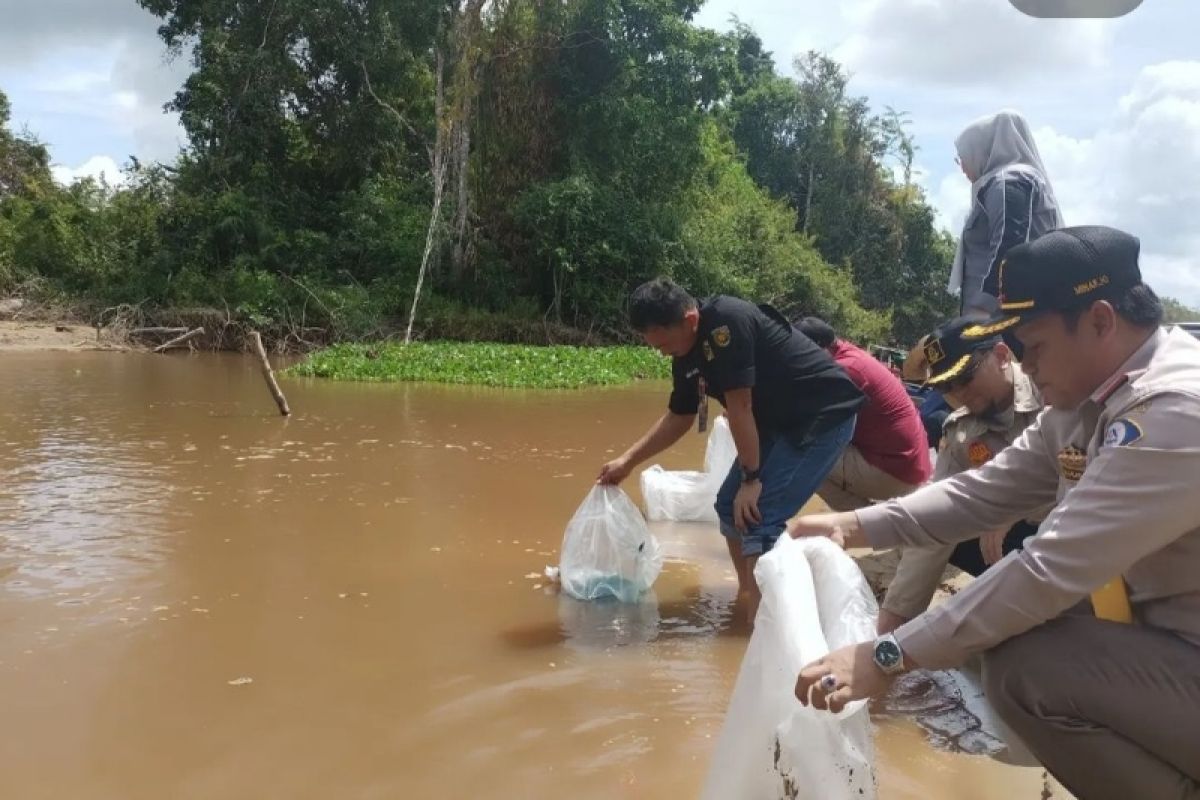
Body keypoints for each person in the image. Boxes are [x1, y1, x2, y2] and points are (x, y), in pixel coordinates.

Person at [789, 226, 1200, 799]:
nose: (1026, 367)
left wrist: (887, 654)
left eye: (1034, 346)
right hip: (1169, 644)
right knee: (1013, 640)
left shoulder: (1174, 411)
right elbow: (980, 492)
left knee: (1028, 671)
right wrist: (852, 525)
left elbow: (1047, 569)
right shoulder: (1089, 399)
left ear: (1101, 321)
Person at [597, 279, 863, 623]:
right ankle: (749, 598)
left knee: (759, 514)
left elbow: (741, 408)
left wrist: (751, 480)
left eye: (664, 345)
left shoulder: (727, 323)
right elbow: (681, 415)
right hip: (777, 423)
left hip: (822, 417)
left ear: (690, 319)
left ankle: (762, 625)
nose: (662, 353)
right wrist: (627, 461)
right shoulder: (685, 350)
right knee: (727, 507)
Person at [877, 315, 1045, 635]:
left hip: (1075, 536)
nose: (958, 393)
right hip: (1006, 543)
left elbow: (1092, 488)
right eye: (946, 386)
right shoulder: (961, 429)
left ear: (1000, 355)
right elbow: (936, 518)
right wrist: (892, 624)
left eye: (965, 377)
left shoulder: (1054, 391)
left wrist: (1017, 507)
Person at [794, 317, 931, 510]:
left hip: (898, 472)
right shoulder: (850, 354)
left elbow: (806, 421)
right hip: (909, 463)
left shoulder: (845, 370)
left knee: (803, 458)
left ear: (817, 348)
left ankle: (864, 523)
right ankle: (872, 521)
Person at [950, 109, 1063, 316]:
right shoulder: (1006, 182)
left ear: (982, 149)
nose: (962, 167)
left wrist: (985, 306)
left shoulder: (1008, 182)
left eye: (962, 157)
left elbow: (1008, 242)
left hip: (996, 319)